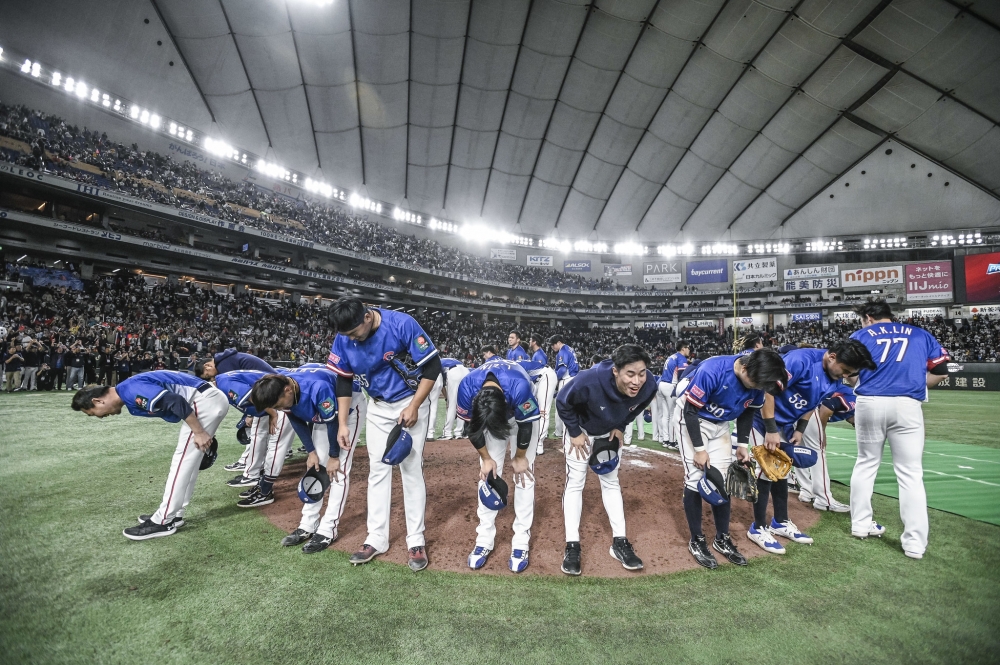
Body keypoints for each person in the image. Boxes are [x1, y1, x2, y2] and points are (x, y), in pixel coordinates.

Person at [326, 297, 442, 571]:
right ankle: (377, 537)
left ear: (367, 317)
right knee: (377, 470)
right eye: (347, 335)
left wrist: (415, 406)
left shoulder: (401, 324)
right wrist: (343, 423)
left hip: (409, 400)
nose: (351, 339)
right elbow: (343, 379)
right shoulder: (344, 337)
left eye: (354, 333)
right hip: (377, 404)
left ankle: (416, 539)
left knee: (410, 469)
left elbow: (433, 367)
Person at [746, 341, 874, 554]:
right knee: (765, 472)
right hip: (762, 420)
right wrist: (770, 428)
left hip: (784, 424)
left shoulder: (832, 375)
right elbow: (768, 390)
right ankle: (758, 528)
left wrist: (800, 429)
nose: (844, 376)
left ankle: (780, 521)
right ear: (832, 356)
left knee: (782, 471)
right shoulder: (801, 361)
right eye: (845, 370)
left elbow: (812, 403)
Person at [70, 370, 229, 540]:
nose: (99, 417)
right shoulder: (127, 389)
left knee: (182, 462)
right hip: (207, 400)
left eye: (93, 413)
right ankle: (174, 514)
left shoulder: (130, 389)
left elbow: (175, 401)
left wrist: (199, 431)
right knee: (188, 463)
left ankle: (163, 521)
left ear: (97, 401)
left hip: (203, 402)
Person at [848, 299, 950, 559]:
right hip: (907, 405)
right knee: (910, 473)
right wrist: (915, 383)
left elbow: (847, 372)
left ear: (869, 317)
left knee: (866, 463)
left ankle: (860, 525)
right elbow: (941, 371)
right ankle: (914, 544)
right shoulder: (921, 333)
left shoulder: (861, 335)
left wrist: (856, 380)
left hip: (869, 403)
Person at [674, 348, 787, 569]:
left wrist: (742, 444)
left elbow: (748, 411)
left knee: (723, 481)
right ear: (743, 367)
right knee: (696, 479)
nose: (756, 387)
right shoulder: (712, 370)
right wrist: (699, 448)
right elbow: (690, 411)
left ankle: (722, 538)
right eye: (754, 382)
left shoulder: (756, 378)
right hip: (693, 420)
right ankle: (697, 539)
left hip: (721, 425)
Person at [555, 344, 657, 576]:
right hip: (581, 431)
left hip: (608, 431)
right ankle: (572, 545)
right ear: (615, 371)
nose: (637, 380)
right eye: (630, 374)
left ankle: (619, 542)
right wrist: (574, 432)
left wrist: (621, 426)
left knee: (611, 482)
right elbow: (562, 401)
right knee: (576, 483)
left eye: (641, 373)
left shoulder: (649, 384)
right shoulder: (590, 379)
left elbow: (638, 406)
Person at [250, 369, 366, 553]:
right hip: (324, 413)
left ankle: (328, 529)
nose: (279, 410)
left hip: (348, 411)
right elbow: (295, 418)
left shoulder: (317, 388)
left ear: (288, 390)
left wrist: (334, 456)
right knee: (316, 466)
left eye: (279, 406)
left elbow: (333, 422)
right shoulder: (279, 385)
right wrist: (311, 451)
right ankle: (308, 524)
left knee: (338, 470)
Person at [456, 357, 540, 572]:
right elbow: (472, 430)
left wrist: (520, 457)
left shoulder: (519, 388)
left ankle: (521, 540)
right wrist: (486, 459)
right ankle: (484, 539)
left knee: (524, 475)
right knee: (488, 475)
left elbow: (526, 425)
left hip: (522, 420)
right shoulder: (466, 387)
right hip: (495, 414)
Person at [195, 350, 276, 476]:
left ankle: (254, 473)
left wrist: (250, 415)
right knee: (259, 432)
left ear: (208, 366)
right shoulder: (226, 361)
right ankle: (250, 464)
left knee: (258, 433)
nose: (212, 379)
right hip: (269, 389)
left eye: (208, 375)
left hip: (269, 392)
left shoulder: (224, 366)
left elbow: (249, 390)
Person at [794, 383, 857, 512]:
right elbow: (826, 408)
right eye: (856, 425)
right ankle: (824, 499)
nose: (854, 425)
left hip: (797, 406)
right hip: (811, 410)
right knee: (818, 450)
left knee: (800, 449)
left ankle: (806, 491)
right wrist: (822, 431)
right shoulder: (855, 400)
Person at [527, 334, 557, 454]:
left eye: (530, 339)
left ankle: (539, 444)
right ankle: (534, 439)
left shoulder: (539, 355)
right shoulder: (536, 354)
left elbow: (542, 371)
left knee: (543, 412)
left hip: (545, 378)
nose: (529, 341)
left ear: (534, 342)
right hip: (539, 381)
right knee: (535, 410)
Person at [658, 340, 690, 450]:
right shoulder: (681, 358)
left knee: (665, 415)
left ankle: (665, 440)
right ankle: (672, 442)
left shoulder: (671, 357)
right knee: (672, 415)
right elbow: (682, 375)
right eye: (688, 348)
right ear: (683, 349)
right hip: (670, 386)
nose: (689, 350)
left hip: (662, 384)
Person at [550, 334, 579, 439]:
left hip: (566, 380)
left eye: (553, 345)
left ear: (558, 342)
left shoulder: (562, 352)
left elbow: (562, 370)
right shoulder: (570, 349)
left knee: (560, 406)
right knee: (572, 406)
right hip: (574, 379)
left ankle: (559, 431)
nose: (552, 347)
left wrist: (554, 379)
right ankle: (570, 429)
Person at [440, 358, 470, 440]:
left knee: (452, 404)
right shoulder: (448, 360)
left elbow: (441, 385)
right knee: (462, 404)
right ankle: (459, 433)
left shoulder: (437, 363)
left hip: (454, 372)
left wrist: (446, 399)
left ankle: (447, 433)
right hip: (465, 371)